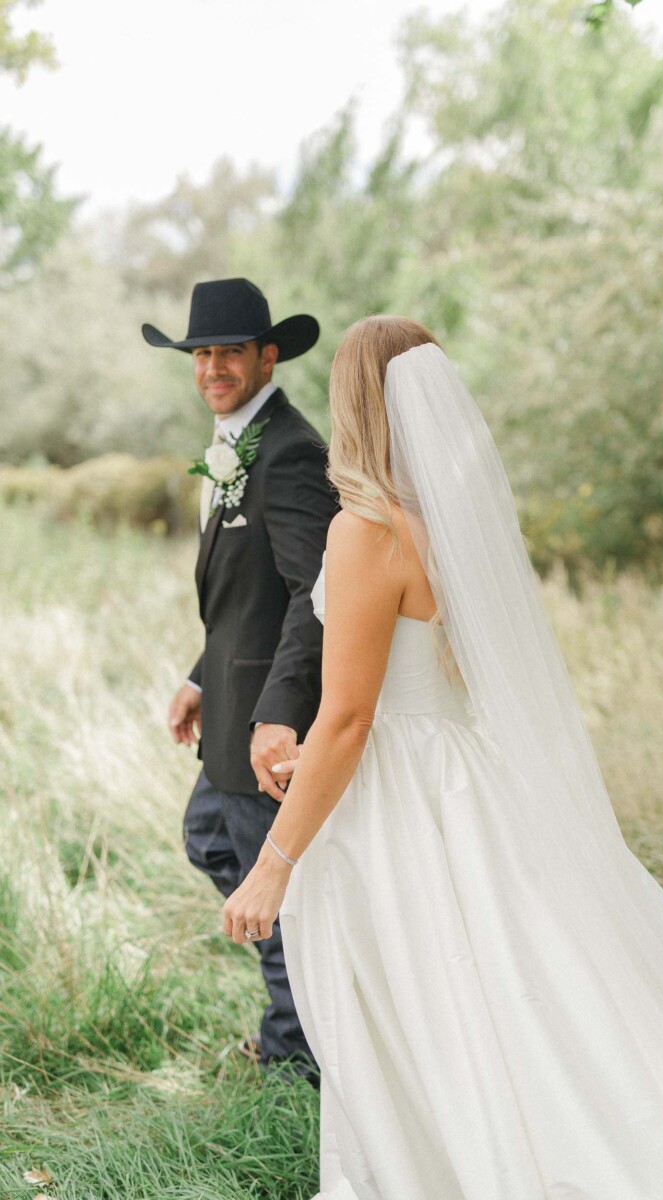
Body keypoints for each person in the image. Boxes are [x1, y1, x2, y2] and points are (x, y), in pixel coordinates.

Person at [222, 315, 663, 1198]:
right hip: (467, 780)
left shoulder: (365, 528)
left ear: (352, 401)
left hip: (403, 802)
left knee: (436, 1005)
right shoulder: (447, 522)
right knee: (520, 990)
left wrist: (273, 864)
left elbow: (346, 719)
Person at [142, 278, 338, 1083]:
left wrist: (278, 714)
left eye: (229, 351)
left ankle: (299, 1058)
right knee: (209, 842)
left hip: (267, 727)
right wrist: (199, 676)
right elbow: (243, 598)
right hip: (226, 704)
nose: (213, 366)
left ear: (267, 356)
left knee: (275, 891)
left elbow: (317, 593)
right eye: (202, 353)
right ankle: (310, 1011)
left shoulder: (287, 450)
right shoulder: (234, 444)